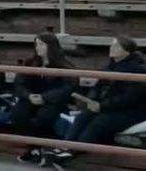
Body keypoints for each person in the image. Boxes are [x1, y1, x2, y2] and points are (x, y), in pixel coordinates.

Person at [43, 35, 146, 167]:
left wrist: (101, 106)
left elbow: (130, 98)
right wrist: (91, 101)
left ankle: (71, 152)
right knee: (83, 117)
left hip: (130, 111)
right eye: (111, 45)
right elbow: (97, 88)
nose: (111, 48)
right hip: (105, 106)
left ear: (126, 51)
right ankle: (66, 148)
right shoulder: (109, 67)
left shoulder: (139, 69)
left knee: (99, 122)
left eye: (115, 46)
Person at [10, 32, 76, 165]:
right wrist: (28, 95)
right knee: (19, 113)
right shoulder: (31, 63)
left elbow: (67, 88)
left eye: (41, 44)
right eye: (36, 44)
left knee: (43, 116)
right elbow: (20, 83)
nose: (37, 48)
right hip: (31, 98)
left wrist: (44, 97)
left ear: (50, 46)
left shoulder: (64, 65)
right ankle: (33, 148)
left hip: (52, 101)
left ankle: (41, 148)